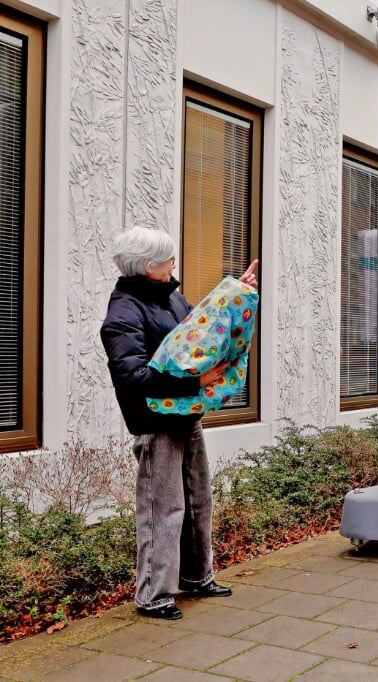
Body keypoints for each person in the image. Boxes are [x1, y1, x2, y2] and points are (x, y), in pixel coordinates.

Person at [100, 226, 259, 621]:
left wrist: (235, 294)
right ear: (148, 266)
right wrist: (195, 380)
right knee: (162, 508)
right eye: (169, 259)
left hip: (186, 412)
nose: (175, 264)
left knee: (198, 499)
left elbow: (199, 333)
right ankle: (153, 596)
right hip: (155, 421)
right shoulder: (123, 312)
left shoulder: (170, 296)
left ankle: (196, 576)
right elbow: (133, 377)